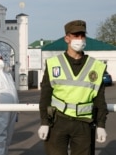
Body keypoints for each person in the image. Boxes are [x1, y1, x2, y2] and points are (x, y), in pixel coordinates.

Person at [38, 20, 108, 155]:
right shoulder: (53, 63)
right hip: (58, 122)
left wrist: (101, 125)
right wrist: (44, 122)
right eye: (76, 35)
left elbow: (100, 99)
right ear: (67, 38)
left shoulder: (96, 66)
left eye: (82, 35)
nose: (80, 39)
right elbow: (45, 96)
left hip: (84, 124)